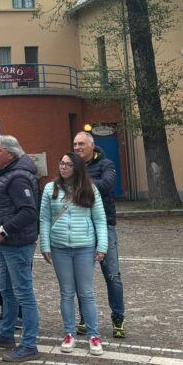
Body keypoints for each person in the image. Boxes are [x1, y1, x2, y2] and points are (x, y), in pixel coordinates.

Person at [0, 135, 41, 362]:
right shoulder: (6, 174)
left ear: (11, 155)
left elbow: (28, 212)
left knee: (23, 293)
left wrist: (3, 230)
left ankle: (29, 344)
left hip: (17, 244)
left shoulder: (18, 178)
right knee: (6, 289)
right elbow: (8, 202)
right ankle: (6, 334)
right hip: (6, 245)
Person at [40, 152, 108, 356]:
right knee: (66, 293)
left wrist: (102, 245)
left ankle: (94, 335)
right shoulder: (50, 189)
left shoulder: (90, 189)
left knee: (86, 293)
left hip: (84, 247)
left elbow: (100, 220)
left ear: (77, 168)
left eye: (68, 164)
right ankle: (69, 333)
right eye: (61, 163)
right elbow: (44, 218)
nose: (63, 167)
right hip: (60, 247)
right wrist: (45, 245)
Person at [73, 131, 126, 338]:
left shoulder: (106, 164)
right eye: (75, 144)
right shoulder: (73, 166)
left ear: (92, 146)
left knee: (112, 276)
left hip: (105, 226)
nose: (77, 148)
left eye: (81, 144)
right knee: (82, 278)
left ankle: (118, 318)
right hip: (81, 226)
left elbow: (106, 185)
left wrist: (79, 184)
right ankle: (85, 317)